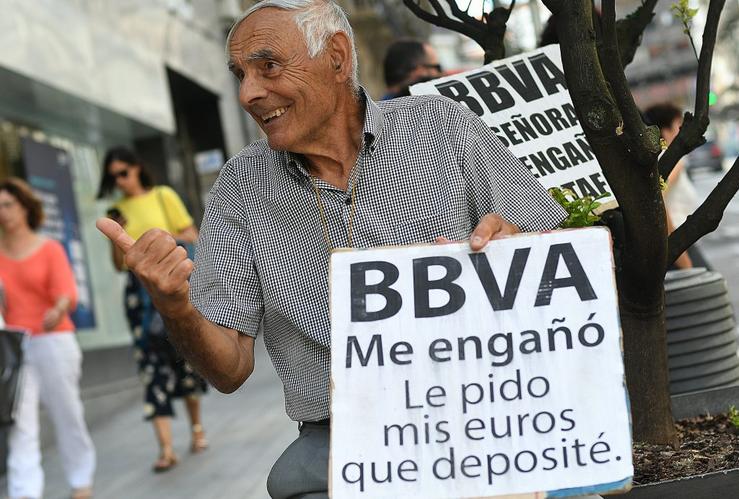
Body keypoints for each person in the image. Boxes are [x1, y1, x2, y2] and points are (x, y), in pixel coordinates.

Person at [97, 1, 571, 497]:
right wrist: (176, 307)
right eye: (240, 74)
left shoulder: (442, 127)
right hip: (341, 444)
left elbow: (558, 255)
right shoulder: (237, 190)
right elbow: (230, 369)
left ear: (339, 57)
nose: (248, 93)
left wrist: (517, 247)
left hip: (486, 414)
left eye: (268, 67)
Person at [96, 147, 208, 472]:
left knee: (185, 355)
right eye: (113, 176)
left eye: (123, 173)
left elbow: (191, 235)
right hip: (138, 294)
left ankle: (197, 430)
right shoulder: (117, 210)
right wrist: (115, 242)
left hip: (171, 280)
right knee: (150, 365)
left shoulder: (162, 196)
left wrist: (155, 242)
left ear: (136, 168)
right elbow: (119, 266)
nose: (119, 181)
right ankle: (167, 448)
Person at [0, 177, 95, 499]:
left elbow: (66, 292)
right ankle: (24, 493)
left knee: (67, 414)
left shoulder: (49, 248)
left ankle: (81, 481)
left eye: (8, 205)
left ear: (25, 207)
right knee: (20, 425)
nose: (3, 213)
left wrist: (58, 308)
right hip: (14, 349)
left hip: (53, 341)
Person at [643, 103, 709, 269]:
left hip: (674, 244)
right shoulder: (670, 161)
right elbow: (657, 202)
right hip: (678, 244)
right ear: (665, 132)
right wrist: (681, 257)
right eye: (678, 126)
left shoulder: (654, 162)